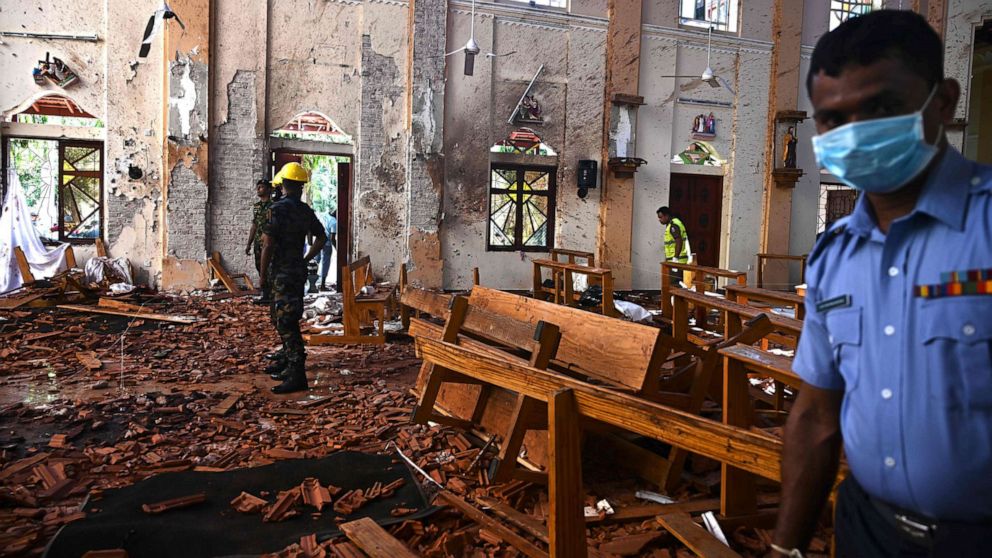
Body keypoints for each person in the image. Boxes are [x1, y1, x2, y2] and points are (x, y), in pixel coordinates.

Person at [771, 11, 991, 558]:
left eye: (881, 108)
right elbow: (816, 415)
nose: (856, 134)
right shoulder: (834, 256)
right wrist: (785, 548)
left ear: (943, 101)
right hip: (868, 529)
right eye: (833, 119)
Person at [259, 162, 327, 394]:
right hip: (296, 272)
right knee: (285, 319)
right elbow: (322, 238)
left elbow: (267, 245)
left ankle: (297, 374)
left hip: (280, 272)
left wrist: (261, 276)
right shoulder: (305, 210)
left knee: (285, 322)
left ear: (284, 185)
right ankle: (289, 364)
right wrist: (306, 259)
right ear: (300, 186)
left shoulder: (277, 209)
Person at [245, 180, 272, 301]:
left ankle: (270, 294)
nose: (258, 189)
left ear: (268, 189)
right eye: (258, 187)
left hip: (269, 242)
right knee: (259, 266)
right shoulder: (256, 207)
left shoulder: (273, 205)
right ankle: (265, 293)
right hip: (258, 242)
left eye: (261, 187)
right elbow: (254, 225)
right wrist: (249, 243)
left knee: (269, 267)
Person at [657, 206, 689, 287]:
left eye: (661, 217)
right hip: (677, 260)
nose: (659, 220)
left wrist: (675, 259)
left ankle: (674, 300)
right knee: (676, 284)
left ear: (666, 216)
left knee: (674, 285)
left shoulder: (673, 225)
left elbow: (679, 241)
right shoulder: (675, 223)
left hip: (677, 261)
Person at [318, 210, 337, 291]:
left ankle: (317, 282)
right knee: (325, 263)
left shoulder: (325, 215)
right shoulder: (334, 222)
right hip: (327, 244)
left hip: (318, 241)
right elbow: (332, 238)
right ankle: (322, 285)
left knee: (318, 262)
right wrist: (337, 248)